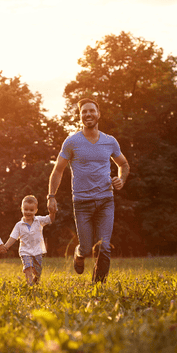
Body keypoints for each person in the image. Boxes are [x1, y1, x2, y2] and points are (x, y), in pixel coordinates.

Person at [47, 98, 130, 284]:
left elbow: (123, 164)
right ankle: (79, 254)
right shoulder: (72, 142)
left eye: (91, 111)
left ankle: (97, 287)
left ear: (98, 114)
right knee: (86, 248)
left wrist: (121, 179)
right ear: (80, 116)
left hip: (105, 200)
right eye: (84, 112)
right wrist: (51, 196)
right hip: (82, 203)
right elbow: (58, 170)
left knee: (103, 247)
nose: (88, 114)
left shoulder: (110, 141)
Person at [0, 195, 55, 286]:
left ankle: (35, 281)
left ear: (36, 210)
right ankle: (29, 285)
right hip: (25, 252)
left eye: (31, 210)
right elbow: (13, 237)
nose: (28, 212)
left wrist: (52, 212)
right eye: (26, 209)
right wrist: (6, 246)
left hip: (38, 251)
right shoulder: (19, 225)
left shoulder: (39, 220)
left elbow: (50, 219)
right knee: (28, 268)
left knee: (38, 272)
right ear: (22, 209)